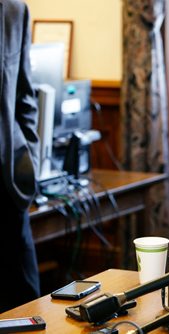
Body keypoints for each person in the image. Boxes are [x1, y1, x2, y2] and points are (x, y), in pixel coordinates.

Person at [0, 0, 41, 312]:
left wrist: (32, 162)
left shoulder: (15, 10)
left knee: (28, 307)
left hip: (9, 184)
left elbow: (25, 97)